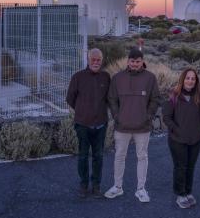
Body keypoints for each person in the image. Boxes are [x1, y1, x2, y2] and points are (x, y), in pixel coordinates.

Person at [105, 48, 159, 203]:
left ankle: (141, 189)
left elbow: (155, 99)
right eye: (132, 61)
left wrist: (148, 116)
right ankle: (117, 187)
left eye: (138, 61)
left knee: (142, 157)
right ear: (128, 61)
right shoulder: (118, 78)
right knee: (119, 156)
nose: (135, 64)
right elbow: (112, 99)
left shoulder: (150, 78)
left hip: (143, 127)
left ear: (142, 61)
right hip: (122, 126)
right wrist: (117, 116)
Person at [66, 47, 110, 198]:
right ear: (88, 59)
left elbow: (109, 99)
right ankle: (84, 185)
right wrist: (82, 110)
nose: (96, 62)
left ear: (102, 60)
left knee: (98, 156)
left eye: (99, 60)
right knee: (83, 156)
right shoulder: (78, 77)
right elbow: (70, 98)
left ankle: (96, 185)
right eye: (93, 59)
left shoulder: (106, 77)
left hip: (101, 125)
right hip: (83, 125)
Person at [163, 68, 200, 209]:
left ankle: (188, 191)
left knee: (191, 167)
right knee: (180, 167)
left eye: (193, 79)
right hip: (177, 139)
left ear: (196, 81)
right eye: (188, 78)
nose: (190, 81)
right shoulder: (174, 95)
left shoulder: (199, 97)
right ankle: (180, 194)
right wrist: (176, 129)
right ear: (182, 79)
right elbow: (167, 117)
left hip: (195, 139)